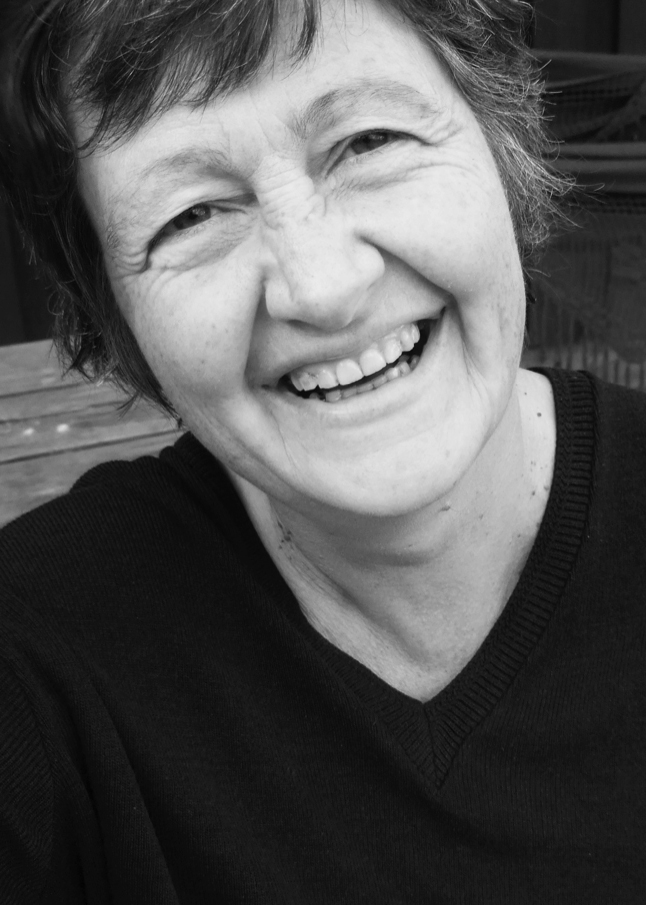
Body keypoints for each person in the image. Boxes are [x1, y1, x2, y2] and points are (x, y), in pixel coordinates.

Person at [0, 0, 645, 901]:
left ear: (505, 148)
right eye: (191, 215)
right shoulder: (36, 663)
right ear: (119, 322)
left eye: (368, 142)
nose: (322, 286)